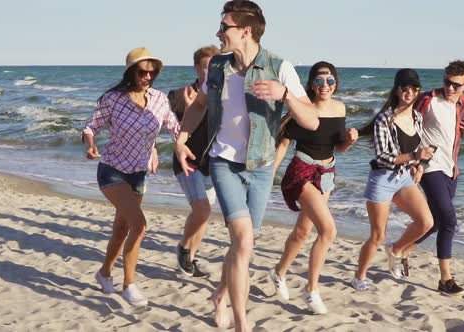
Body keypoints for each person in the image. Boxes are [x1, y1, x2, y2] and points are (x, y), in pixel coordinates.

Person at [174, 1, 318, 330]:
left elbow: (310, 120)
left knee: (244, 247)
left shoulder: (279, 67)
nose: (218, 32)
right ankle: (242, 323)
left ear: (245, 31)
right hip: (224, 163)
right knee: (243, 240)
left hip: (262, 167)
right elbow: (198, 107)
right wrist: (182, 140)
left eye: (224, 26)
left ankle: (220, 295)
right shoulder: (218, 67)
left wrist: (286, 96)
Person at [82, 47, 179, 306]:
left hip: (139, 174)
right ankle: (129, 285)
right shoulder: (113, 99)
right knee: (139, 225)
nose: (147, 76)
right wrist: (90, 143)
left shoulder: (159, 99)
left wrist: (187, 145)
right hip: (112, 171)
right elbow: (91, 126)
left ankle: (103, 274)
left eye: (152, 72)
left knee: (122, 228)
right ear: (130, 72)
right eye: (142, 72)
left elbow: (175, 128)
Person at [269, 62, 358, 314]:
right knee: (328, 230)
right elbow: (284, 145)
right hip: (302, 172)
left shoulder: (340, 108)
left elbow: (337, 146)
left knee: (301, 232)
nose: (325, 86)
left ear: (336, 83)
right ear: (311, 84)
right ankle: (311, 290)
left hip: (327, 174)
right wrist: (270, 175)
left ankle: (278, 273)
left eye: (330, 81)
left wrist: (349, 141)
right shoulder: (302, 109)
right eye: (319, 81)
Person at [352, 69, 435, 291]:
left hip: (404, 178)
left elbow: (419, 149)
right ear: (397, 89)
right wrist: (415, 157)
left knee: (426, 222)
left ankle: (396, 249)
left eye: (414, 89)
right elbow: (383, 157)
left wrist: (420, 165)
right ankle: (359, 276)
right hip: (382, 179)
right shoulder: (384, 119)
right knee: (377, 235)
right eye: (405, 88)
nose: (409, 93)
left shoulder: (417, 117)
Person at [412, 60, 464, 296]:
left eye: (456, 84)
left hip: (451, 169)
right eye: (447, 82)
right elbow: (406, 124)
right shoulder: (428, 100)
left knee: (434, 224)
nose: (450, 88)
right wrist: (413, 159)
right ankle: (445, 279)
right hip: (429, 167)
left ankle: (399, 249)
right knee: (450, 221)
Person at [168, 45, 220, 278]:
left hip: (214, 163)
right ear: (197, 68)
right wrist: (190, 108)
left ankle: (189, 258)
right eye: (208, 67)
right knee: (202, 209)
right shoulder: (180, 95)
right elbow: (172, 129)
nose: (212, 71)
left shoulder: (223, 95)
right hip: (187, 160)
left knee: (203, 214)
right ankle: (183, 249)